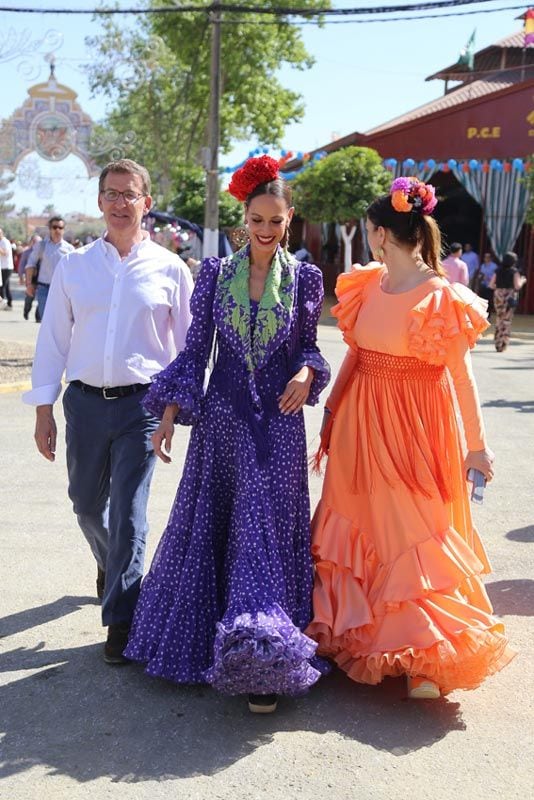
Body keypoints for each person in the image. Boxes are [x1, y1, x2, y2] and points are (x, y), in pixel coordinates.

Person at [124, 155, 331, 714]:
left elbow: (309, 347)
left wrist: (307, 372)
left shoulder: (307, 279)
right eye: (257, 221)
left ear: (290, 220)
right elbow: (195, 353)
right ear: (244, 219)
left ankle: (264, 656)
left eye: (275, 222)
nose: (265, 232)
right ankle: (224, 646)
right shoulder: (214, 274)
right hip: (222, 423)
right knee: (221, 526)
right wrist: (168, 412)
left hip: (281, 425)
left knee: (264, 530)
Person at [307, 176, 515, 700]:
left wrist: (476, 446)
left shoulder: (441, 295)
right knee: (361, 525)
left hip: (416, 428)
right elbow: (355, 353)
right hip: (359, 423)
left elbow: (462, 377)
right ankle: (358, 635)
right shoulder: (367, 285)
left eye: (369, 229)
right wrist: (331, 414)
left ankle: (427, 657)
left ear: (379, 233)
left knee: (413, 531)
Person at [23, 159, 194, 664]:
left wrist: (172, 409)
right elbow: (52, 341)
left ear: (147, 203)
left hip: (142, 406)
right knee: (84, 503)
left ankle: (122, 618)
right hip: (83, 404)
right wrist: (43, 410)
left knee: (130, 514)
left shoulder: (171, 269)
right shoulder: (75, 267)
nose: (121, 203)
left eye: (131, 194)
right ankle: (109, 562)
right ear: (100, 202)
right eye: (112, 194)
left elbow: (187, 349)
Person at [25, 216, 74, 321]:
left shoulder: (70, 249)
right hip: (44, 289)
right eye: (54, 227)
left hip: (63, 290)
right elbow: (30, 264)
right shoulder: (41, 246)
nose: (57, 230)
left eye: (60, 228)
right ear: (50, 229)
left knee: (61, 322)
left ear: (63, 230)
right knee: (45, 321)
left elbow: (74, 271)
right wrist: (29, 284)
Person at [489, 251, 527, 353]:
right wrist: (523, 280)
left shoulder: (498, 270)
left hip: (498, 295)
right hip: (509, 296)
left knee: (499, 318)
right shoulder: (514, 271)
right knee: (507, 320)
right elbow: (517, 286)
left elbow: (491, 285)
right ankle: (503, 344)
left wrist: (499, 288)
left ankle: (497, 342)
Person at [18, 235, 42, 321]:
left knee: (41, 298)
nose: (37, 244)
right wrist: (21, 277)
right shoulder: (27, 253)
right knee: (29, 297)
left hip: (41, 279)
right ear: (31, 242)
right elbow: (21, 265)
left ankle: (38, 317)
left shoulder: (44, 252)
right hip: (31, 279)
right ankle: (26, 311)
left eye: (39, 242)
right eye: (35, 242)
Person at [0, 228, 14, 311]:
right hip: (2, 267)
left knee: (3, 286)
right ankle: (9, 303)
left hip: (7, 267)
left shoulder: (5, 242)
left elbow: (5, 253)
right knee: (7, 286)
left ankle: (3, 303)